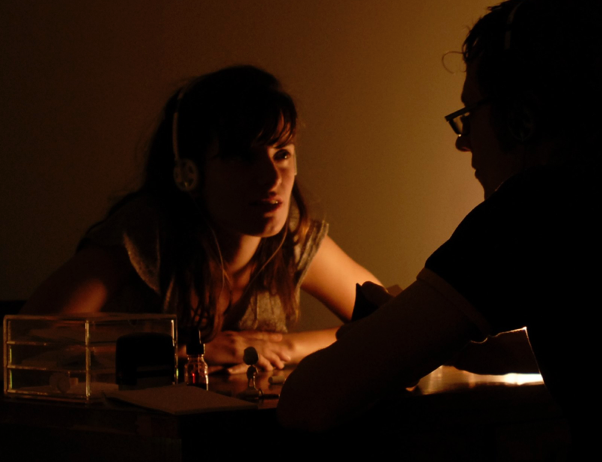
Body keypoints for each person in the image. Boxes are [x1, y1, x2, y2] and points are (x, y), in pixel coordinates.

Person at [277, 0, 602, 454]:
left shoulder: (533, 210)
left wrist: (394, 340)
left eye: (470, 113)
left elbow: (309, 400)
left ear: (522, 118)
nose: (463, 140)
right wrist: (458, 345)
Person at [22, 65, 381, 374]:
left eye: (282, 154)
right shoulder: (146, 235)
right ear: (188, 174)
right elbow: (33, 338)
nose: (272, 178)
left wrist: (287, 347)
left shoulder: (293, 239)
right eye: (243, 157)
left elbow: (391, 324)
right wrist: (197, 351)